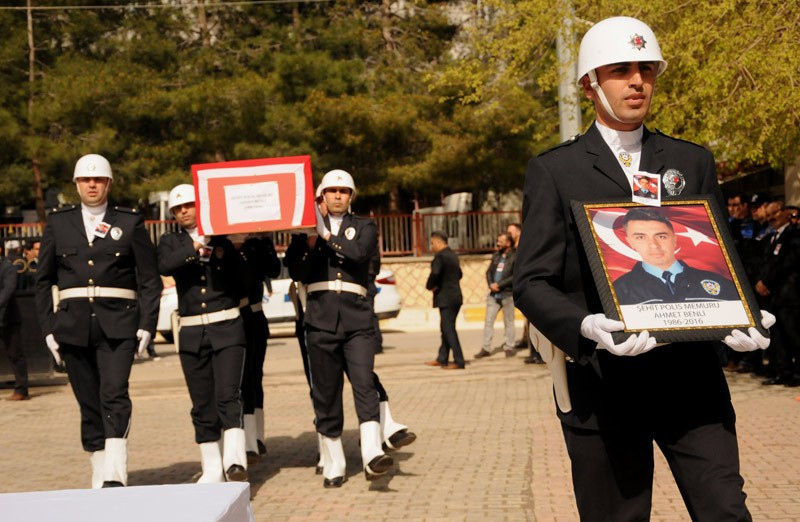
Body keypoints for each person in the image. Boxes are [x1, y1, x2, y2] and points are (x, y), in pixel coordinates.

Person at [512, 17, 775, 520]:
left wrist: (744, 315)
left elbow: (719, 257)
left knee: (726, 510)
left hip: (691, 380)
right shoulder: (556, 169)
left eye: (647, 69)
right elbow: (531, 281)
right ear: (590, 83)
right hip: (603, 382)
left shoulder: (690, 160)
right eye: (621, 70)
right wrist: (584, 327)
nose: (638, 81)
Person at [35, 154, 162, 488]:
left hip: (119, 325)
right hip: (73, 327)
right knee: (87, 399)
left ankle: (115, 471)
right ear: (77, 185)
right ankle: (99, 463)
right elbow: (42, 280)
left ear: (109, 184)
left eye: (99, 180)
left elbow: (149, 280)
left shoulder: (130, 222)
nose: (92, 185)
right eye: (85, 180)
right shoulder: (59, 223)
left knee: (114, 392)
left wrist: (147, 324)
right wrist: (49, 330)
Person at [284, 169, 393, 488]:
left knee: (363, 382)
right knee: (326, 392)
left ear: (351, 197)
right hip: (319, 319)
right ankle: (334, 460)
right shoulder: (305, 234)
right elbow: (297, 270)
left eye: (343, 191)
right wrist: (311, 240)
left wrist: (328, 236)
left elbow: (360, 254)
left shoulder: (364, 226)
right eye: (331, 191)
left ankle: (372, 451)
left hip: (357, 319)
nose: (337, 196)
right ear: (321, 196)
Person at [157, 184, 249, 483]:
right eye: (178, 208)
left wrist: (239, 248)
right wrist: (197, 244)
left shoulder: (224, 238)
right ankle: (212, 467)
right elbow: (166, 265)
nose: (184, 211)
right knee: (202, 403)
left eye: (189, 205)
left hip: (227, 326)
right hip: (193, 330)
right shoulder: (170, 242)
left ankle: (235, 460)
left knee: (228, 394)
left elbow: (245, 281)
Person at [612, 208, 740, 305]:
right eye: (641, 237)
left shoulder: (719, 283)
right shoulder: (619, 291)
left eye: (661, 236)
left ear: (674, 239)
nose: (654, 245)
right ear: (630, 242)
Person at [229, 233, 281, 462]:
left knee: (252, 377)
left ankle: (254, 437)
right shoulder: (221, 242)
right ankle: (244, 437)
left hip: (253, 317)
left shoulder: (259, 244)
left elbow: (273, 270)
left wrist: (256, 242)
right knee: (236, 382)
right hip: (230, 318)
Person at [755, 201, 800, 387]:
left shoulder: (794, 235)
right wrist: (761, 281)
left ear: (785, 213)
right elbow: (767, 263)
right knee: (779, 337)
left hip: (790, 295)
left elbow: (788, 263)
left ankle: (798, 374)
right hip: (775, 296)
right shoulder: (772, 237)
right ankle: (784, 370)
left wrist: (767, 281)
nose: (770, 218)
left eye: (774, 213)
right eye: (769, 215)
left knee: (795, 337)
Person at [424, 230, 465, 370]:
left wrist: (430, 286)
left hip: (445, 298)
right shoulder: (453, 255)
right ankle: (442, 358)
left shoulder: (440, 257)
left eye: (432, 243)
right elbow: (459, 274)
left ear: (438, 242)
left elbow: (435, 274)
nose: (431, 246)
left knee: (448, 329)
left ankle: (459, 361)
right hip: (455, 296)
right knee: (446, 328)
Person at [475, 232, 517, 358]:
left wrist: (500, 284)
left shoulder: (515, 256)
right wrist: (491, 284)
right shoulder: (496, 256)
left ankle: (509, 346)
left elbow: (515, 276)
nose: (498, 244)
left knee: (509, 322)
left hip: (508, 294)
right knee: (488, 321)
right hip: (493, 295)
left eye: (501, 241)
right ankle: (486, 348)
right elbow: (488, 272)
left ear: (508, 243)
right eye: (498, 241)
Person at [508, 224, 544, 364]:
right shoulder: (513, 248)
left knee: (535, 324)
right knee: (529, 325)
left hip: (532, 290)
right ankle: (534, 353)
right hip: (523, 289)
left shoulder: (526, 245)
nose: (508, 233)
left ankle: (539, 354)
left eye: (511, 231)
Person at [1, 244, 26, 401]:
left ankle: (21, 389)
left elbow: (8, 290)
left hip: (8, 318)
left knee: (15, 355)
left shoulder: (8, 268)